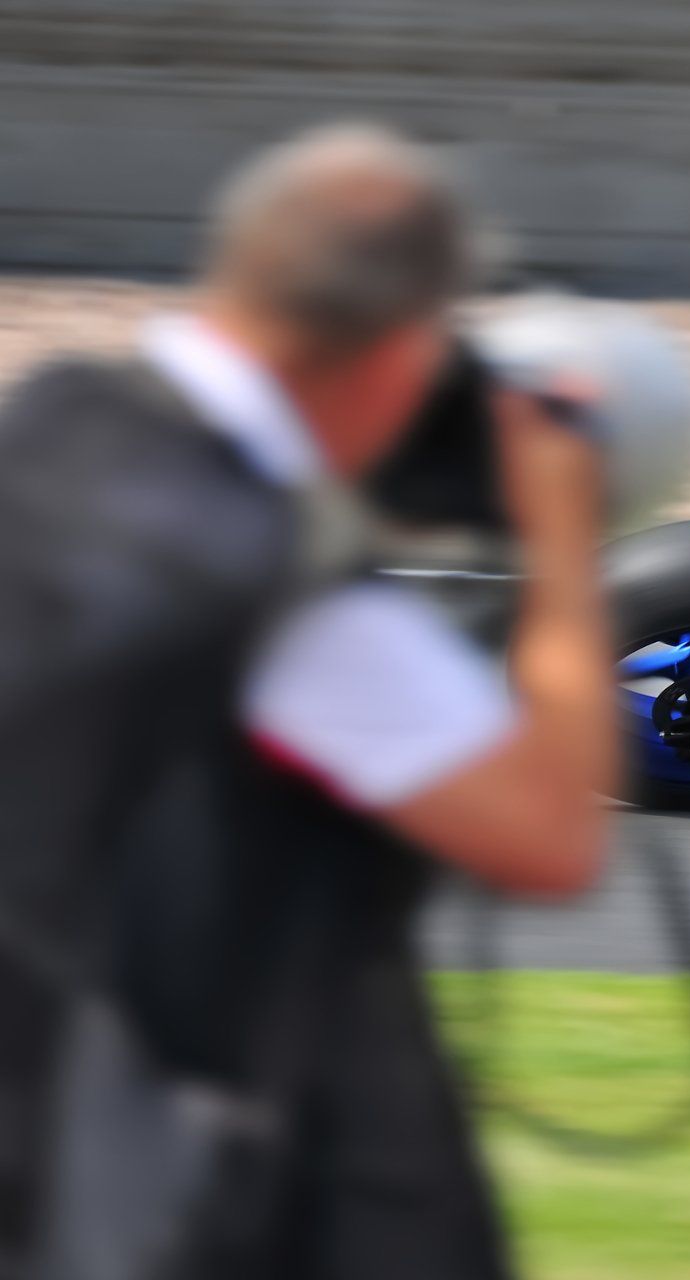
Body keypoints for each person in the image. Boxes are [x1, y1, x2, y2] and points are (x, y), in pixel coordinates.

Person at [0, 124, 614, 1277]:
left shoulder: (46, 428)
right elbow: (553, 838)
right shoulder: (293, 599)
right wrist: (566, 544)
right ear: (401, 351)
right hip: (205, 1178)